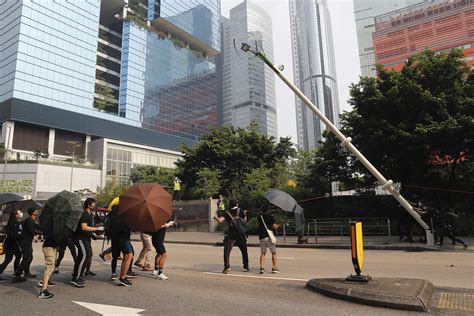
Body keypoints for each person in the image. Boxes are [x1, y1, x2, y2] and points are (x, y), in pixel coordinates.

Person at [70, 198, 104, 288]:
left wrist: (94, 235)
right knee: (85, 256)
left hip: (85, 238)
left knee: (84, 256)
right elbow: (84, 227)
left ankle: (76, 275)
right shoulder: (85, 214)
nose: (95, 206)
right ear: (89, 205)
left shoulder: (89, 215)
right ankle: (77, 278)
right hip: (80, 239)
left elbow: (88, 229)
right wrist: (97, 229)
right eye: (93, 204)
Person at [213, 201, 249, 274]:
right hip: (241, 234)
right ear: (237, 204)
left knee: (227, 251)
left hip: (232, 235)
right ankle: (245, 266)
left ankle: (227, 266)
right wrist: (244, 214)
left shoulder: (227, 212)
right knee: (244, 250)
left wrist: (215, 218)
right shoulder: (241, 211)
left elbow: (220, 221)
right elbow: (245, 221)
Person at [107, 204, 135, 286]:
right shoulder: (123, 215)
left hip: (116, 238)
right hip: (123, 238)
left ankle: (121, 276)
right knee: (129, 256)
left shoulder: (113, 214)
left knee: (126, 256)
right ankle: (123, 277)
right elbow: (124, 227)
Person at [16, 207, 41, 279]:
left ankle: (26, 272)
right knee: (27, 258)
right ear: (32, 212)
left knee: (29, 257)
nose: (36, 211)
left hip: (27, 242)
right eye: (35, 210)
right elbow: (32, 230)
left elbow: (38, 226)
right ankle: (18, 274)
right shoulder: (29, 220)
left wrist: (43, 228)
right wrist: (40, 232)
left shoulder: (32, 220)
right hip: (24, 242)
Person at [0, 210, 24, 282]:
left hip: (11, 244)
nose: (21, 214)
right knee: (12, 258)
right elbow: (12, 235)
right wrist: (19, 235)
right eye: (19, 213)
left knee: (13, 257)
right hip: (11, 244)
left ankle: (15, 272)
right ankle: (16, 272)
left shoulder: (15, 223)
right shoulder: (13, 224)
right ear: (15, 215)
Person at [257, 205, 280, 274]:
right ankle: (274, 268)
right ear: (267, 210)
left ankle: (261, 268)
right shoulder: (270, 217)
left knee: (263, 253)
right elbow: (275, 227)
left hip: (261, 236)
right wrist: (281, 223)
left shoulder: (259, 217)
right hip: (269, 237)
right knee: (273, 253)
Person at [38, 234, 58, 299]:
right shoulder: (54, 228)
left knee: (52, 267)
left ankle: (43, 281)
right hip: (49, 247)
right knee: (49, 267)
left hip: (51, 247)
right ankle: (43, 291)